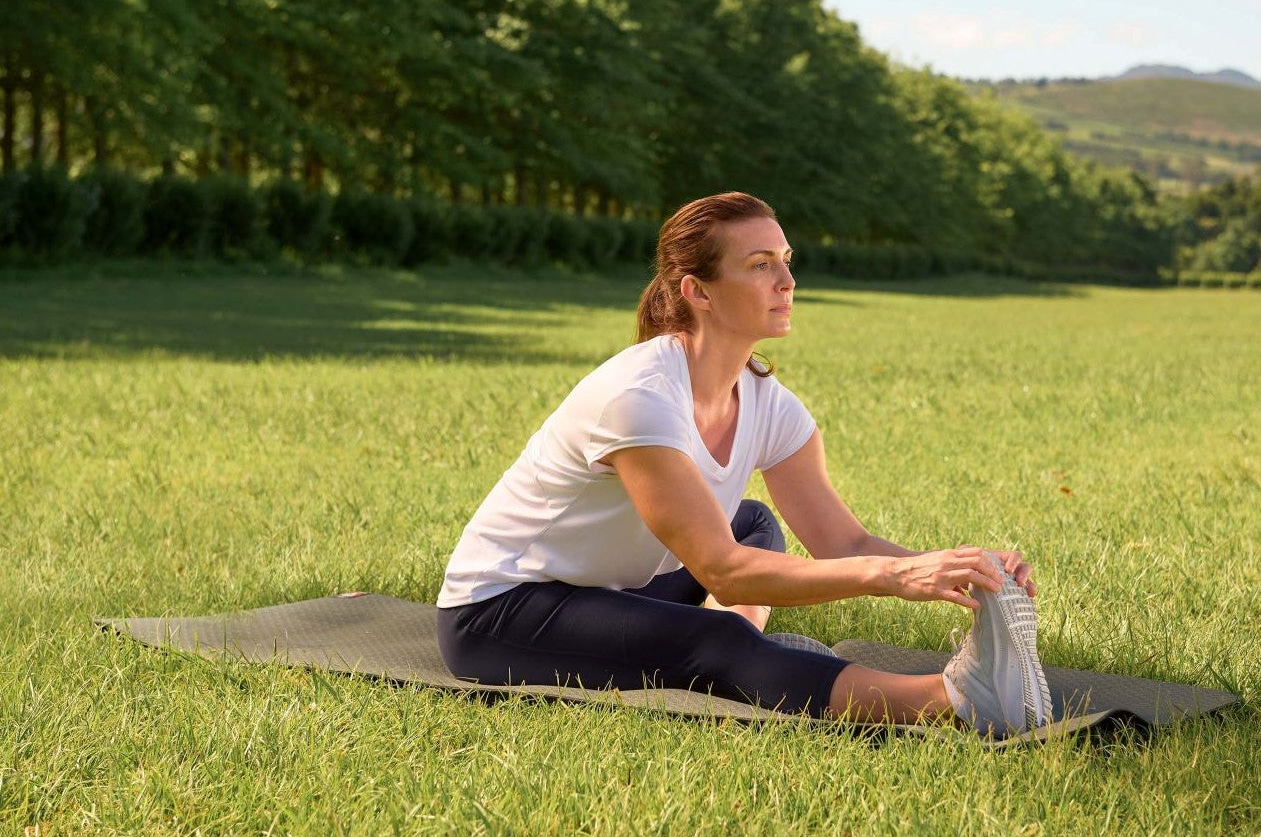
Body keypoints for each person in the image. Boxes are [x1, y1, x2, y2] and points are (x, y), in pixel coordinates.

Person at [436, 192, 1052, 736]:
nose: (786, 281)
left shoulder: (766, 402)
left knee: (752, 520)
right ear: (697, 291)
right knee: (719, 636)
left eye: (786, 261)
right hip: (502, 608)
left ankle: (750, 654)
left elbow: (843, 539)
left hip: (612, 585)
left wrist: (963, 571)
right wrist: (889, 577)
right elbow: (723, 574)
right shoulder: (639, 399)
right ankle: (953, 701)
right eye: (760, 266)